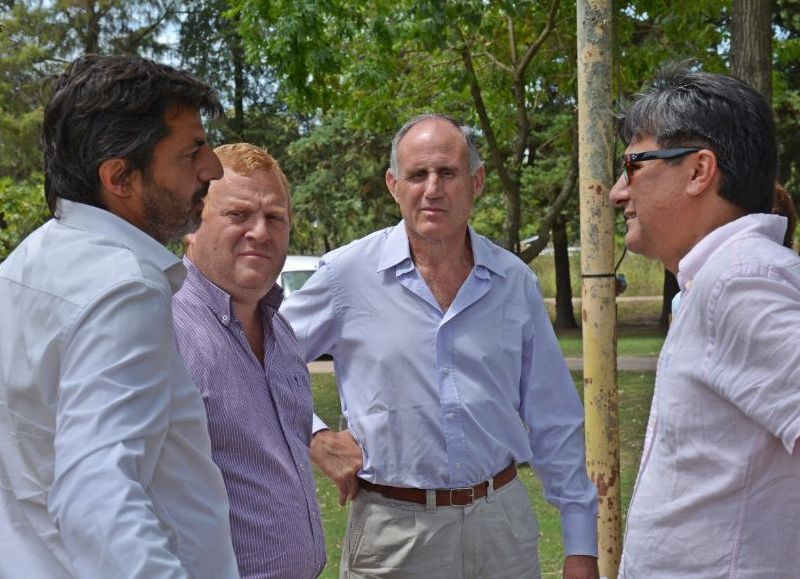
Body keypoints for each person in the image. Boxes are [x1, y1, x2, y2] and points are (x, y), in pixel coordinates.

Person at [282, 114, 599, 579]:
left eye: (447, 173)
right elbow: (257, 360)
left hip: (502, 528)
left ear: (476, 181)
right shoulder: (345, 276)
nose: (432, 188)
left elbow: (553, 417)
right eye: (417, 174)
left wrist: (580, 545)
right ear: (394, 185)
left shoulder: (514, 282)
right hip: (393, 534)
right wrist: (315, 436)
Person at [0, 55, 240, 578]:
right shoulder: (123, 287)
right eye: (192, 151)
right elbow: (96, 496)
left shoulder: (25, 265)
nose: (214, 169)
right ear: (120, 177)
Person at [609, 66, 800, 577]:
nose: (616, 193)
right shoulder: (716, 279)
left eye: (631, 165)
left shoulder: (739, 281)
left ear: (698, 171)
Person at [172, 143, 326, 578]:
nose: (260, 231)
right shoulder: (161, 329)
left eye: (275, 217)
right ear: (190, 223)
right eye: (238, 215)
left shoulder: (281, 332)